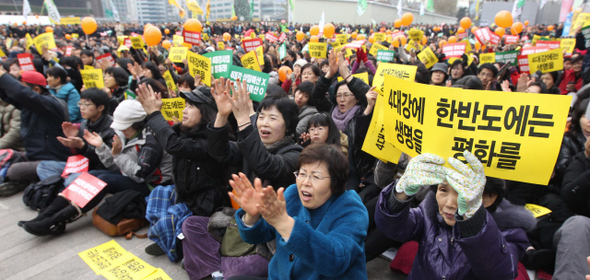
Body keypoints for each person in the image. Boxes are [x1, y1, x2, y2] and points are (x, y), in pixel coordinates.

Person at [181, 78, 303, 279]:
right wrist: (222, 114)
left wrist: (244, 120)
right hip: (239, 223)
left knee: (241, 271)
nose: (264, 123)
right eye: (261, 117)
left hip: (266, 237)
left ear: (288, 127)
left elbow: (265, 164)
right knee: (191, 225)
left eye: (273, 118)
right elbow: (219, 151)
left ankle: (211, 267)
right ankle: (215, 270)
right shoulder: (250, 146)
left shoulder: (294, 154)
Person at [22, 100, 173, 236]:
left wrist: (117, 155)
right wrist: (101, 147)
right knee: (91, 176)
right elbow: (115, 166)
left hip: (152, 185)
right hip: (131, 177)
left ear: (136, 123)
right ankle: (45, 216)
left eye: (124, 126)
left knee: (104, 181)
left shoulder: (152, 140)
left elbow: (140, 174)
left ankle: (56, 221)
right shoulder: (124, 135)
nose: (121, 130)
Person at [375, 151, 533, 279]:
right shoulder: (429, 215)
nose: (449, 203)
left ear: (489, 198)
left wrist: (473, 222)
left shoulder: (511, 232)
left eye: (462, 194)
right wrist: (401, 191)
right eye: (443, 190)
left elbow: (499, 273)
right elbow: (393, 228)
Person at [227, 143, 369, 280]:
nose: (305, 182)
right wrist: (253, 216)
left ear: (335, 181)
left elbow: (335, 261)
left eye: (316, 176)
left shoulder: (352, 211)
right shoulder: (292, 193)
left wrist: (284, 222)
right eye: (302, 173)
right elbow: (258, 235)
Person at [136, 82, 231, 262]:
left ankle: (177, 245)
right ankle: (170, 237)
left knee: (167, 221)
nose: (184, 110)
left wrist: (154, 114)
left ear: (205, 112)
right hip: (185, 195)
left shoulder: (212, 140)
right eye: (185, 106)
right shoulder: (185, 131)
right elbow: (163, 134)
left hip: (204, 205)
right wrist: (155, 111)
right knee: (159, 194)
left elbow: (173, 144)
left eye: (191, 106)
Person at [0, 69, 71, 197]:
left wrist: (3, 76)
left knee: (14, 170)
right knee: (5, 156)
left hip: (51, 160)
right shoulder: (30, 105)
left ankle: (25, 181)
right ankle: (27, 179)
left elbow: (20, 93)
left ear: (36, 90)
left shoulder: (51, 104)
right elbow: (10, 95)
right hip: (33, 155)